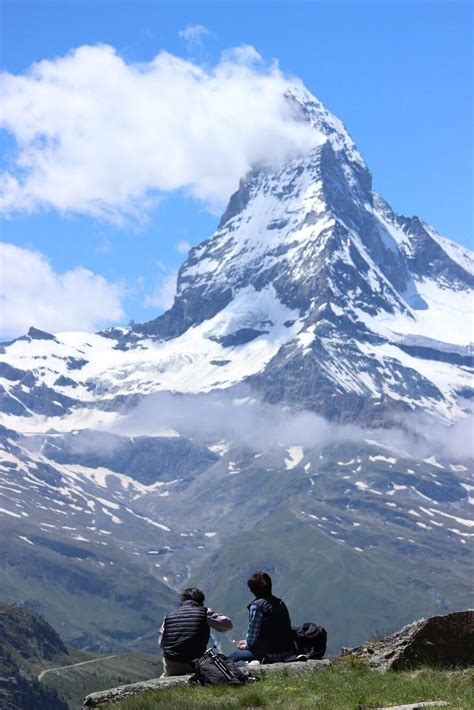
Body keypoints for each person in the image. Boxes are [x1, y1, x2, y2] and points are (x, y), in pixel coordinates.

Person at [159, 587, 233, 676]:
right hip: (195, 663)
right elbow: (227, 626)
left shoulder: (169, 616)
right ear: (201, 602)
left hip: (171, 663)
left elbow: (161, 643)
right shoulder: (204, 613)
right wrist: (212, 615)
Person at [230, 571, 295, 664]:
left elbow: (253, 633)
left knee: (233, 658)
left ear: (252, 590)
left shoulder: (257, 606)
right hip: (287, 650)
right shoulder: (280, 602)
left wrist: (246, 645)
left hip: (270, 653)